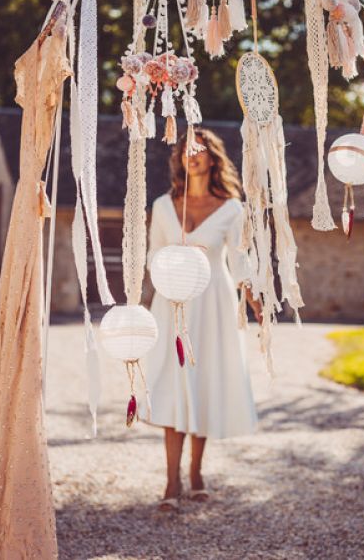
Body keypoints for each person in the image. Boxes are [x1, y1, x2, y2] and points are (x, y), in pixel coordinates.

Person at [144, 128, 261, 511]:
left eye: (199, 149)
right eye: (185, 150)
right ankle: (170, 480)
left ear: (213, 158)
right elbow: (153, 256)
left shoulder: (232, 208)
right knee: (172, 384)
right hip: (173, 303)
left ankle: (196, 473)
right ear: (179, 158)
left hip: (213, 305)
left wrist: (255, 301)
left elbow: (240, 262)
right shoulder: (163, 206)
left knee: (202, 382)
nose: (191, 155)